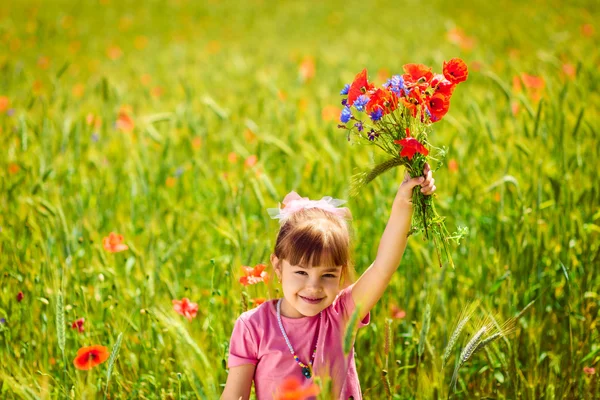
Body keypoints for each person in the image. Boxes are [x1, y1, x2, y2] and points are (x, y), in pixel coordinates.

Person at [221, 164, 436, 400]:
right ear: (278, 266)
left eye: (328, 275)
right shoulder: (253, 327)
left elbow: (383, 267)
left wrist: (405, 200)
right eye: (301, 273)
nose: (314, 286)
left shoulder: (343, 314)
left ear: (341, 273)